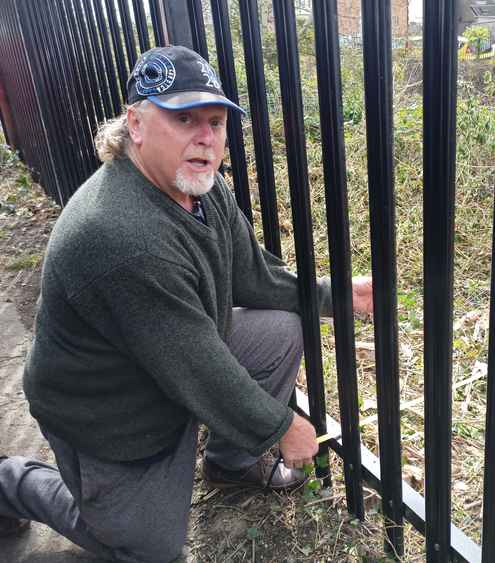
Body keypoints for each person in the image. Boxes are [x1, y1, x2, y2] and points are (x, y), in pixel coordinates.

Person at [0, 45, 372, 562]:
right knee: (146, 547)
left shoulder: (203, 187)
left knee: (280, 328)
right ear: (136, 124)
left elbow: (254, 278)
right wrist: (281, 426)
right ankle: (12, 482)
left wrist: (338, 296)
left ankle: (231, 461)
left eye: (215, 122)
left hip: (167, 360)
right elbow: (196, 365)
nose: (206, 137)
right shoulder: (117, 236)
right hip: (110, 412)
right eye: (184, 119)